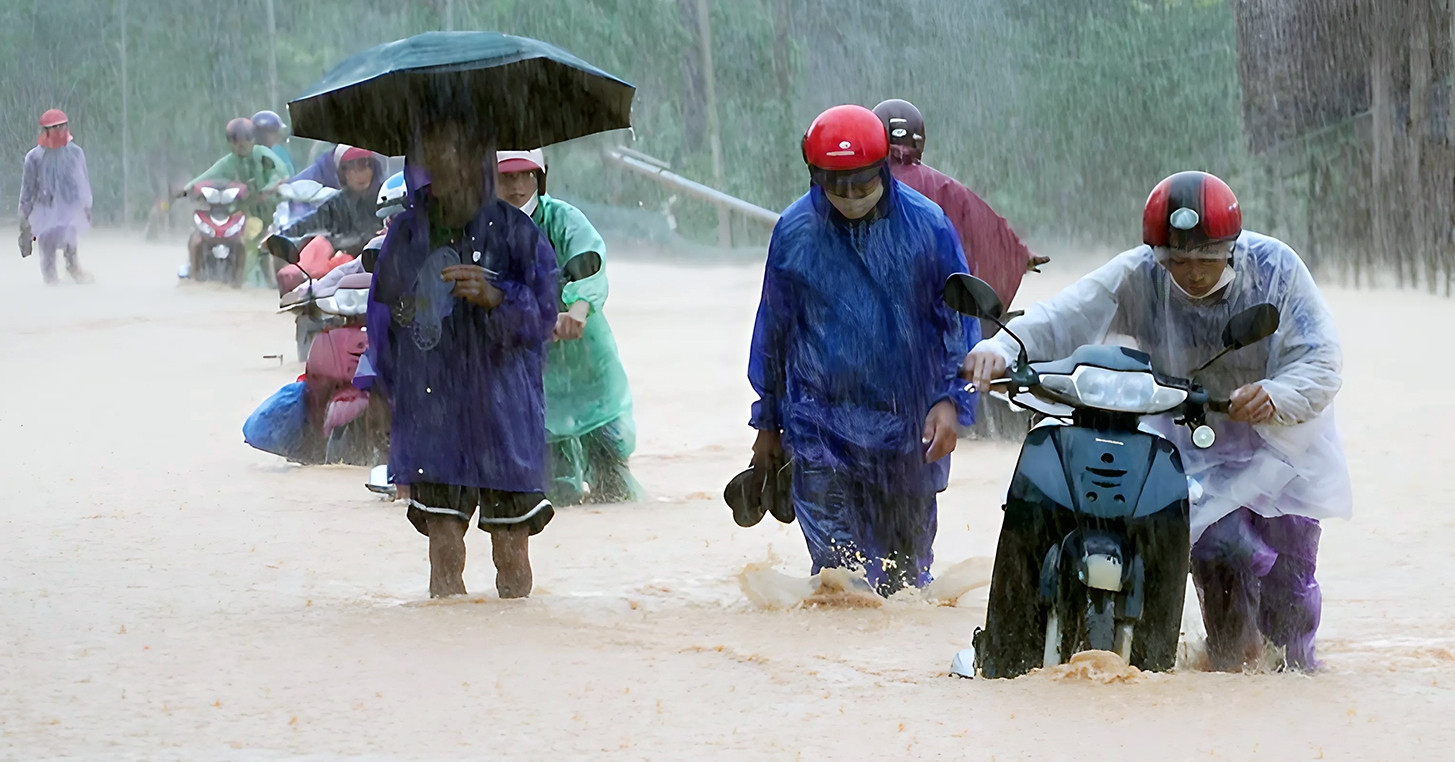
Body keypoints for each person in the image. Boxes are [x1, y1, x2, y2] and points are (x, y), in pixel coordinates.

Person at [963, 171, 1351, 671]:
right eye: (1178, 261)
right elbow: (1065, 315)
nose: (1192, 273)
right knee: (1219, 558)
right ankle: (1231, 676)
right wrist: (1000, 347)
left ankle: (1293, 690)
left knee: (1288, 590)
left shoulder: (1277, 270)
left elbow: (1321, 358)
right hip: (1196, 440)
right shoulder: (1140, 273)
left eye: (1207, 259)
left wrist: (1277, 394)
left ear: (1231, 247)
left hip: (1280, 446)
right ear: (1158, 254)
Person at [748, 105, 975, 597]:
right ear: (816, 176)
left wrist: (951, 400)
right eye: (837, 184)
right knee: (839, 584)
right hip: (819, 427)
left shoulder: (928, 227)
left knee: (905, 585)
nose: (850, 196)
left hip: (907, 427)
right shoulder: (794, 232)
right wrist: (767, 421)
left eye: (862, 183)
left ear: (883, 171)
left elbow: (958, 322)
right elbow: (774, 329)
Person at [365, 118, 558, 599]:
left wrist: (497, 297)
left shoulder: (517, 231)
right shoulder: (409, 233)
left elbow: (544, 315)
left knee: (511, 550)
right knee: (444, 548)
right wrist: (377, 390)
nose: (446, 165)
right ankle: (446, 650)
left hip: (503, 408)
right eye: (435, 153)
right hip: (432, 405)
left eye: (457, 153)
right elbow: (383, 318)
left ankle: (511, 661)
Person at [495, 149, 645, 506]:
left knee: (612, 479)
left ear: (540, 177)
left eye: (526, 176)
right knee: (553, 491)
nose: (518, 187)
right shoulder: (483, 228)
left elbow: (589, 264)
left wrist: (576, 310)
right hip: (531, 369)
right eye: (508, 177)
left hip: (586, 359)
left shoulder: (563, 219)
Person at [872, 99, 1047, 313]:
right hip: (923, 309)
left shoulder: (853, 181)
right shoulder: (942, 186)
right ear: (918, 139)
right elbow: (982, 228)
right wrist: (1019, 255)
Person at [182, 118, 289, 284]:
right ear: (229, 141)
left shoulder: (262, 155)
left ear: (253, 138)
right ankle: (195, 274)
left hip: (273, 215)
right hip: (244, 216)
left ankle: (243, 283)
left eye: (246, 138)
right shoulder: (229, 162)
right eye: (234, 139)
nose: (240, 144)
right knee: (197, 236)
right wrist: (187, 189)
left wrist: (270, 188)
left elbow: (279, 173)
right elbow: (207, 176)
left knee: (253, 248)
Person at [18, 109, 92, 284]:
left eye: (63, 126)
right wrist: (24, 219)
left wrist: (86, 207)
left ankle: (75, 279)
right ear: (45, 131)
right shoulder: (34, 158)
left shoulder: (75, 154)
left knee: (70, 248)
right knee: (48, 253)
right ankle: (51, 289)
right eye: (55, 128)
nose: (60, 131)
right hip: (44, 211)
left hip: (69, 209)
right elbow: (28, 190)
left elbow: (82, 181)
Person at [281, 146, 384, 253]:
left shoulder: (386, 196)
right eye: (350, 168)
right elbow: (308, 224)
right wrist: (282, 238)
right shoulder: (337, 204)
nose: (358, 174)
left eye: (362, 166)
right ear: (343, 174)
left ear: (373, 168)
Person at [252, 110, 296, 176]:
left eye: (277, 132)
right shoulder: (250, 158)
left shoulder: (279, 152)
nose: (278, 137)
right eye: (272, 132)